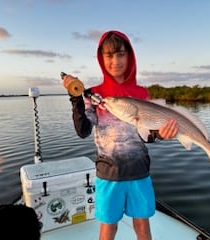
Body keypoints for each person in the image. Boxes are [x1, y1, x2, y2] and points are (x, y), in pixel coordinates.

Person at [62, 30, 178, 240]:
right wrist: (75, 100)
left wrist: (162, 134)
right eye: (109, 55)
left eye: (121, 54)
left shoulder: (142, 93)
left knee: (142, 225)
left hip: (139, 172)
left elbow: (147, 136)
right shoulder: (94, 94)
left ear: (130, 56)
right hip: (108, 174)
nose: (115, 61)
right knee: (108, 228)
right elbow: (83, 131)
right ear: (101, 58)